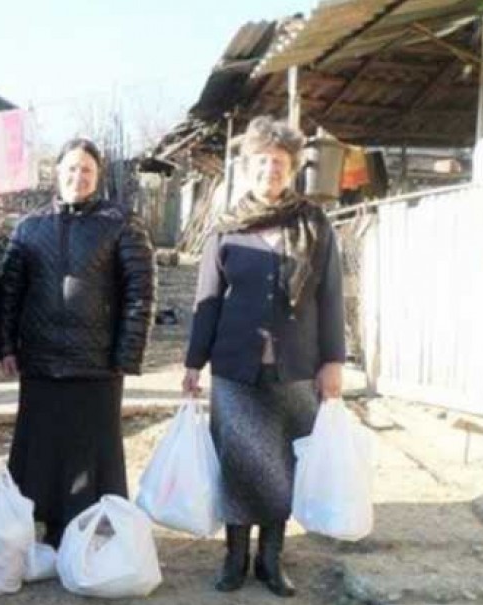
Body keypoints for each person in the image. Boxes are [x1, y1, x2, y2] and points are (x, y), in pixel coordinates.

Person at [183, 116, 345, 598]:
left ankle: (271, 559)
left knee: (283, 463)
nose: (269, 170)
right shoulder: (227, 228)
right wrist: (193, 363)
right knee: (238, 462)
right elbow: (208, 300)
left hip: (296, 366)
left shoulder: (313, 224)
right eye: (260, 161)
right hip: (236, 367)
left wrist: (334, 361)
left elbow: (331, 297)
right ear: (246, 167)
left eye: (278, 162)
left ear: (291, 168)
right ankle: (234, 558)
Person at [0, 138, 155, 547]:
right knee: (42, 449)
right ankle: (45, 524)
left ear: (97, 176)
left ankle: (89, 531)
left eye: (86, 169)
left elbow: (140, 290)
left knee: (90, 452)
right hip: (41, 361)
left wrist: (126, 353)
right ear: (57, 172)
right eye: (70, 168)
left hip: (97, 363)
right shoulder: (30, 227)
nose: (77, 176)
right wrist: (5, 346)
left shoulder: (120, 223)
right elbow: (9, 291)